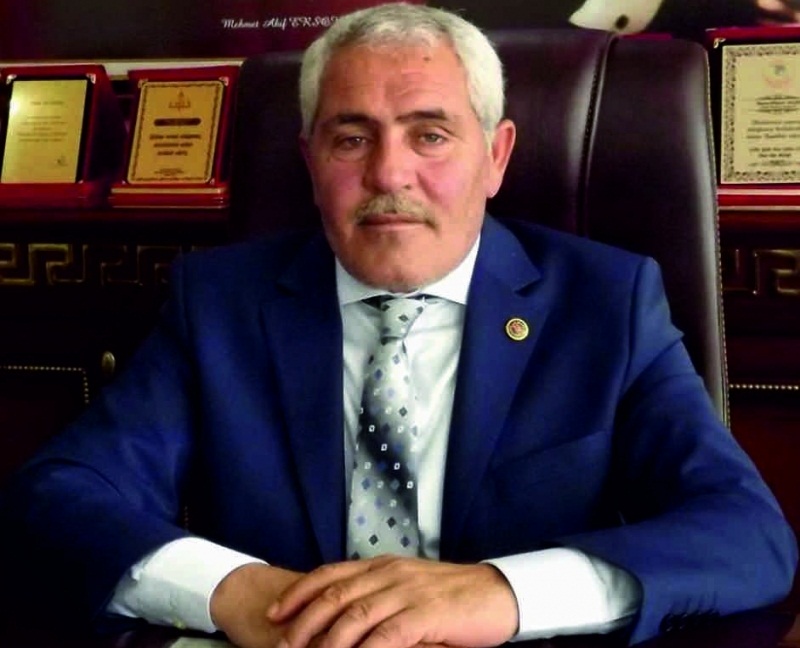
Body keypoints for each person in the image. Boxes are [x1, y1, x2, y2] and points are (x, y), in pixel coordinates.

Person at [0, 3, 796, 648]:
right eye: (351, 138)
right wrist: (240, 593)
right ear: (310, 159)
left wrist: (498, 594)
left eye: (430, 135)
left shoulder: (606, 304)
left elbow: (745, 534)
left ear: (496, 156)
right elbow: (58, 497)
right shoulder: (219, 303)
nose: (388, 173)